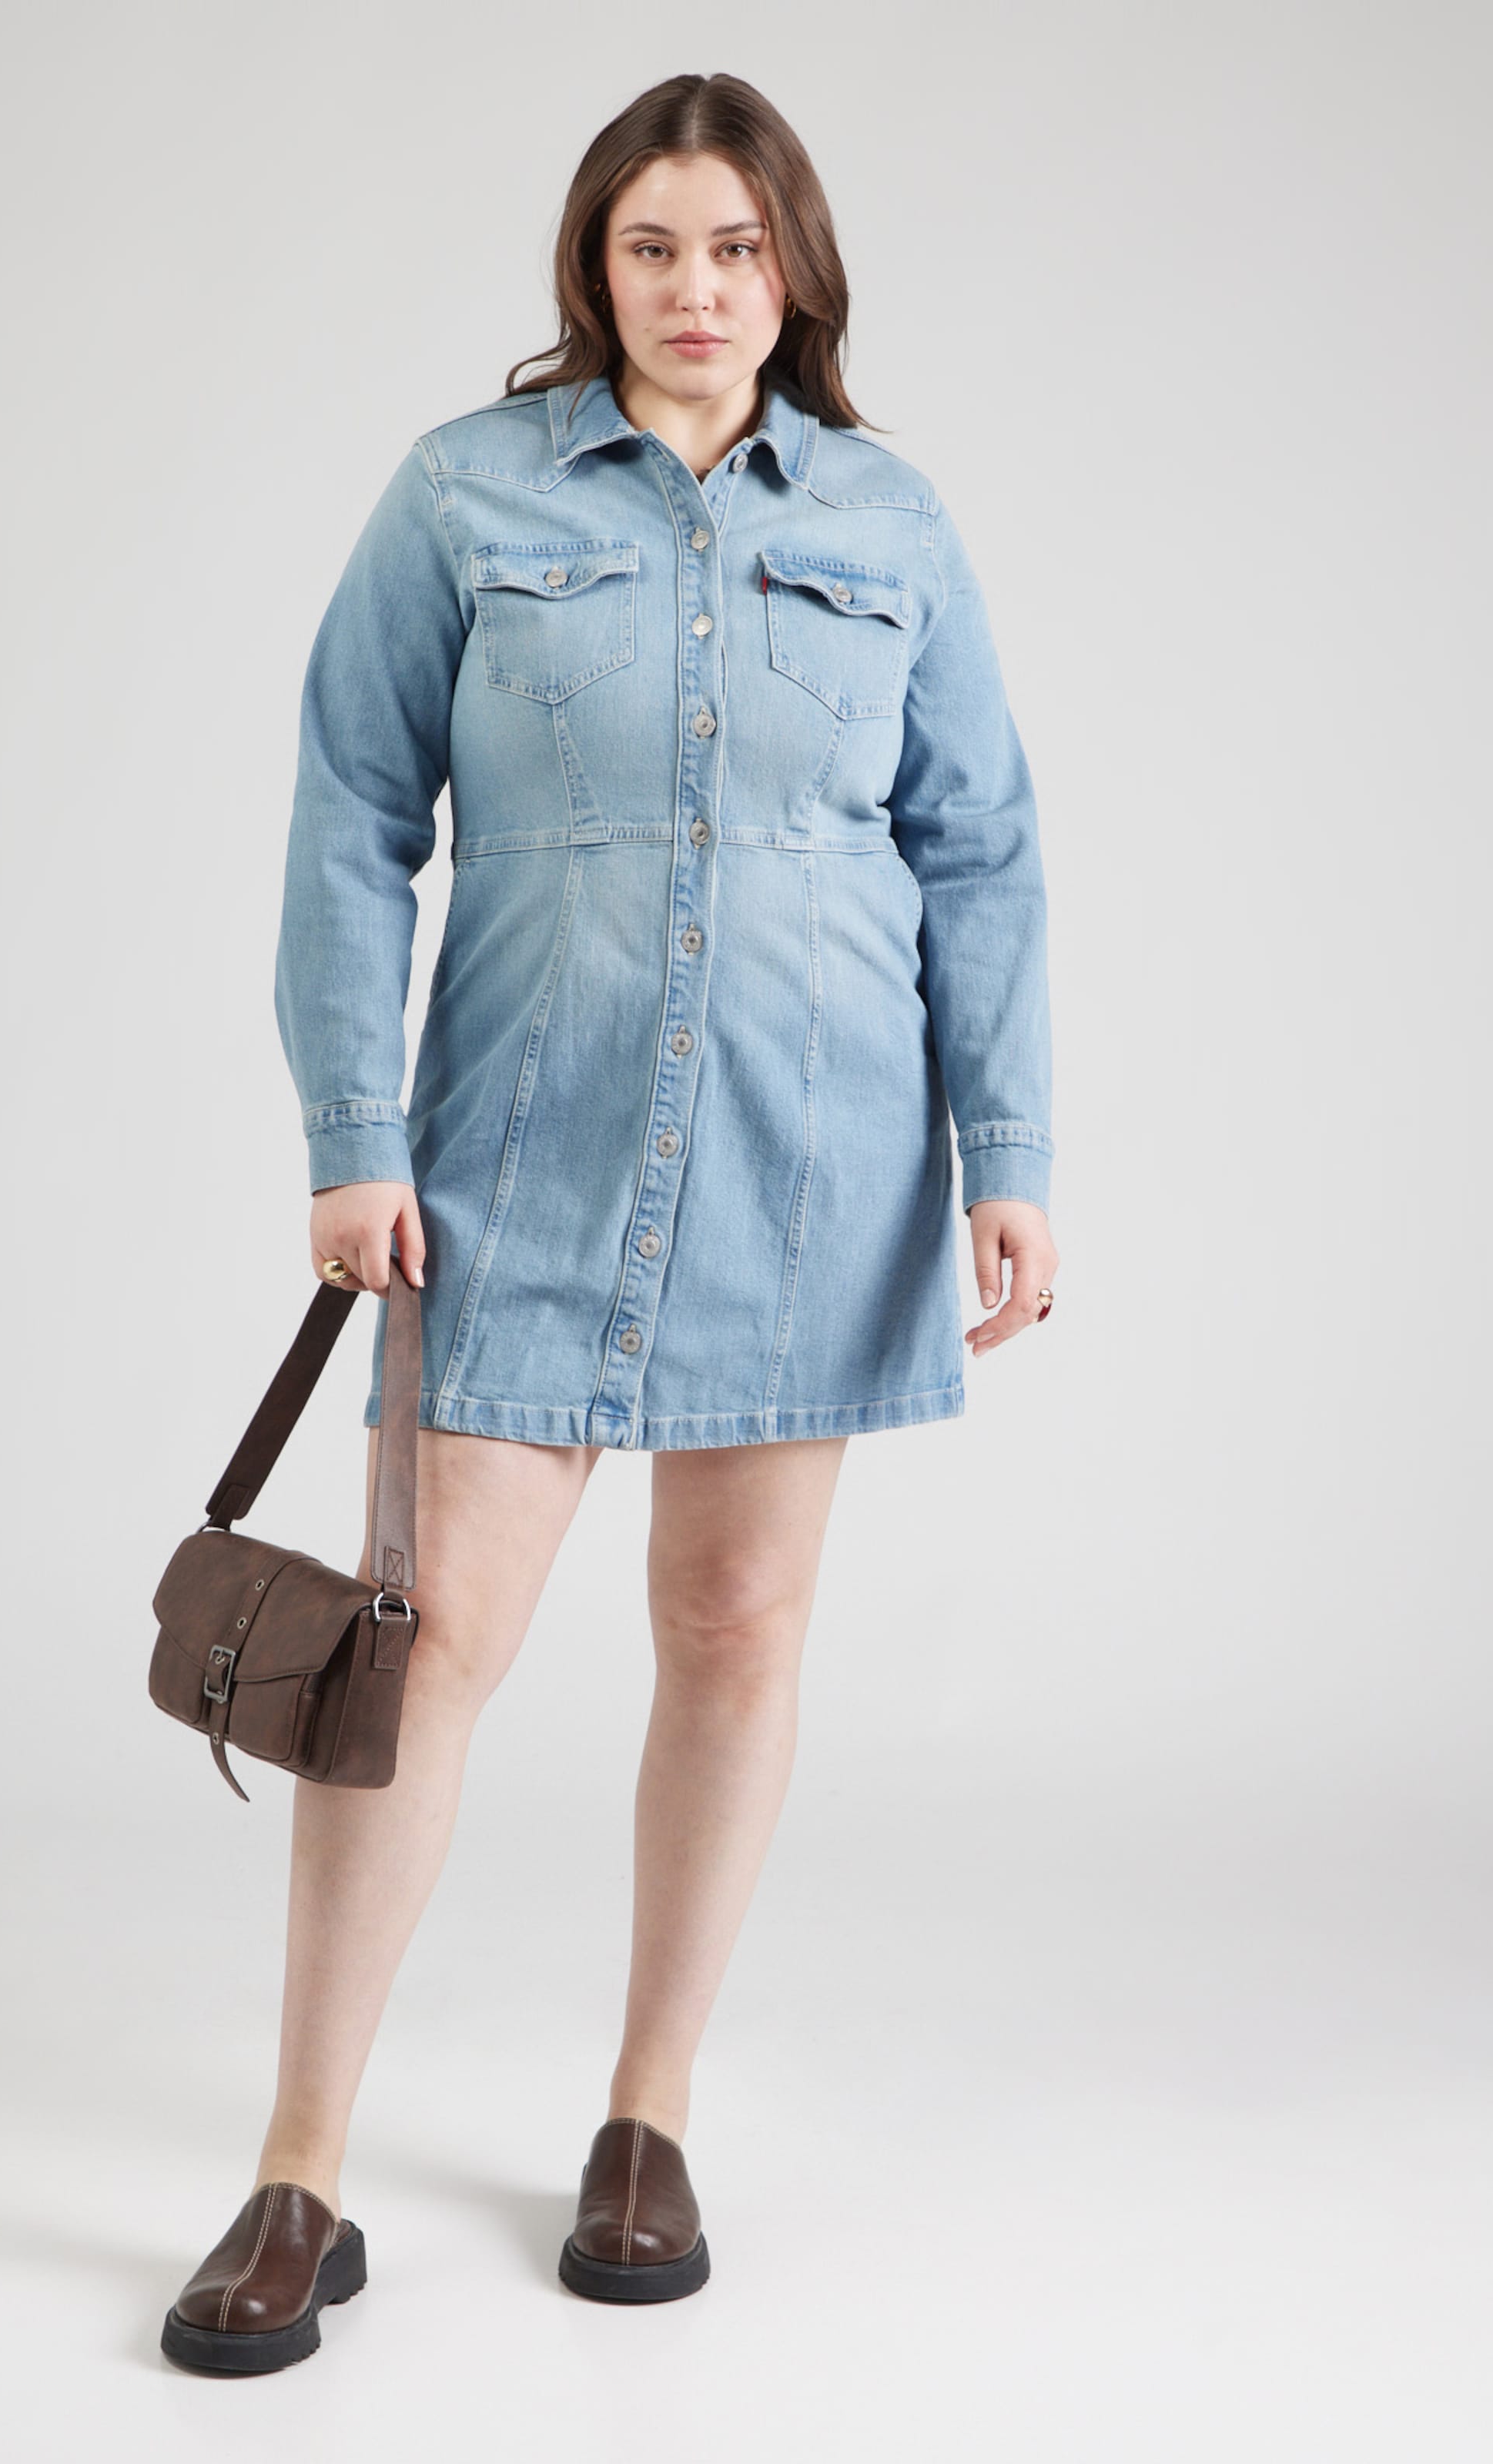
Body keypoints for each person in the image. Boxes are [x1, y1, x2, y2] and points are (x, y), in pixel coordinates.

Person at [160, 69, 1059, 2377]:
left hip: (809, 1159)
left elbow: (977, 845)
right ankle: (299, 2172)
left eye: (735, 250)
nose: (695, 291)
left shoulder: (888, 516)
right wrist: (352, 1126)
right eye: (653, 248)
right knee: (418, 1651)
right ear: (596, 265)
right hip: (514, 1162)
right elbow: (353, 805)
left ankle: (648, 2118)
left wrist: (1011, 1154)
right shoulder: (464, 492)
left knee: (736, 1631)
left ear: (794, 271)